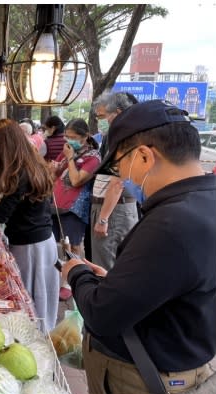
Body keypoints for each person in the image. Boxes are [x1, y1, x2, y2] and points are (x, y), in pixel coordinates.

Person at [62, 100, 216, 394]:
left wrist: (77, 273)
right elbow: (175, 284)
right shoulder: (207, 202)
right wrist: (117, 282)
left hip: (142, 376)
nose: (122, 177)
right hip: (181, 358)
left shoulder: (171, 222)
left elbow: (103, 316)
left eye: (120, 166)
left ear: (145, 157)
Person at [0, 118, 59, 330]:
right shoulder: (32, 162)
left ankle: (35, 342)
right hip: (44, 240)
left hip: (29, 246)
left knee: (29, 301)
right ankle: (41, 337)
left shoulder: (19, 172)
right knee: (41, 300)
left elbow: (2, 214)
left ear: (4, 146)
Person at [90, 91, 140, 270]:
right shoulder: (125, 137)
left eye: (104, 116)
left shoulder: (124, 139)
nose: (105, 121)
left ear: (118, 113)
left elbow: (118, 181)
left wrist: (103, 218)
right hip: (114, 207)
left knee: (105, 266)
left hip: (113, 209)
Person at [51, 118, 101, 259]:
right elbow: (54, 176)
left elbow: (76, 180)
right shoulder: (67, 150)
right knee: (54, 244)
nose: (69, 140)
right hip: (56, 205)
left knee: (73, 245)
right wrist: (53, 170)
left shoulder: (93, 157)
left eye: (73, 137)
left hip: (75, 209)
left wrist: (70, 158)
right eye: (67, 136)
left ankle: (75, 276)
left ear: (85, 136)